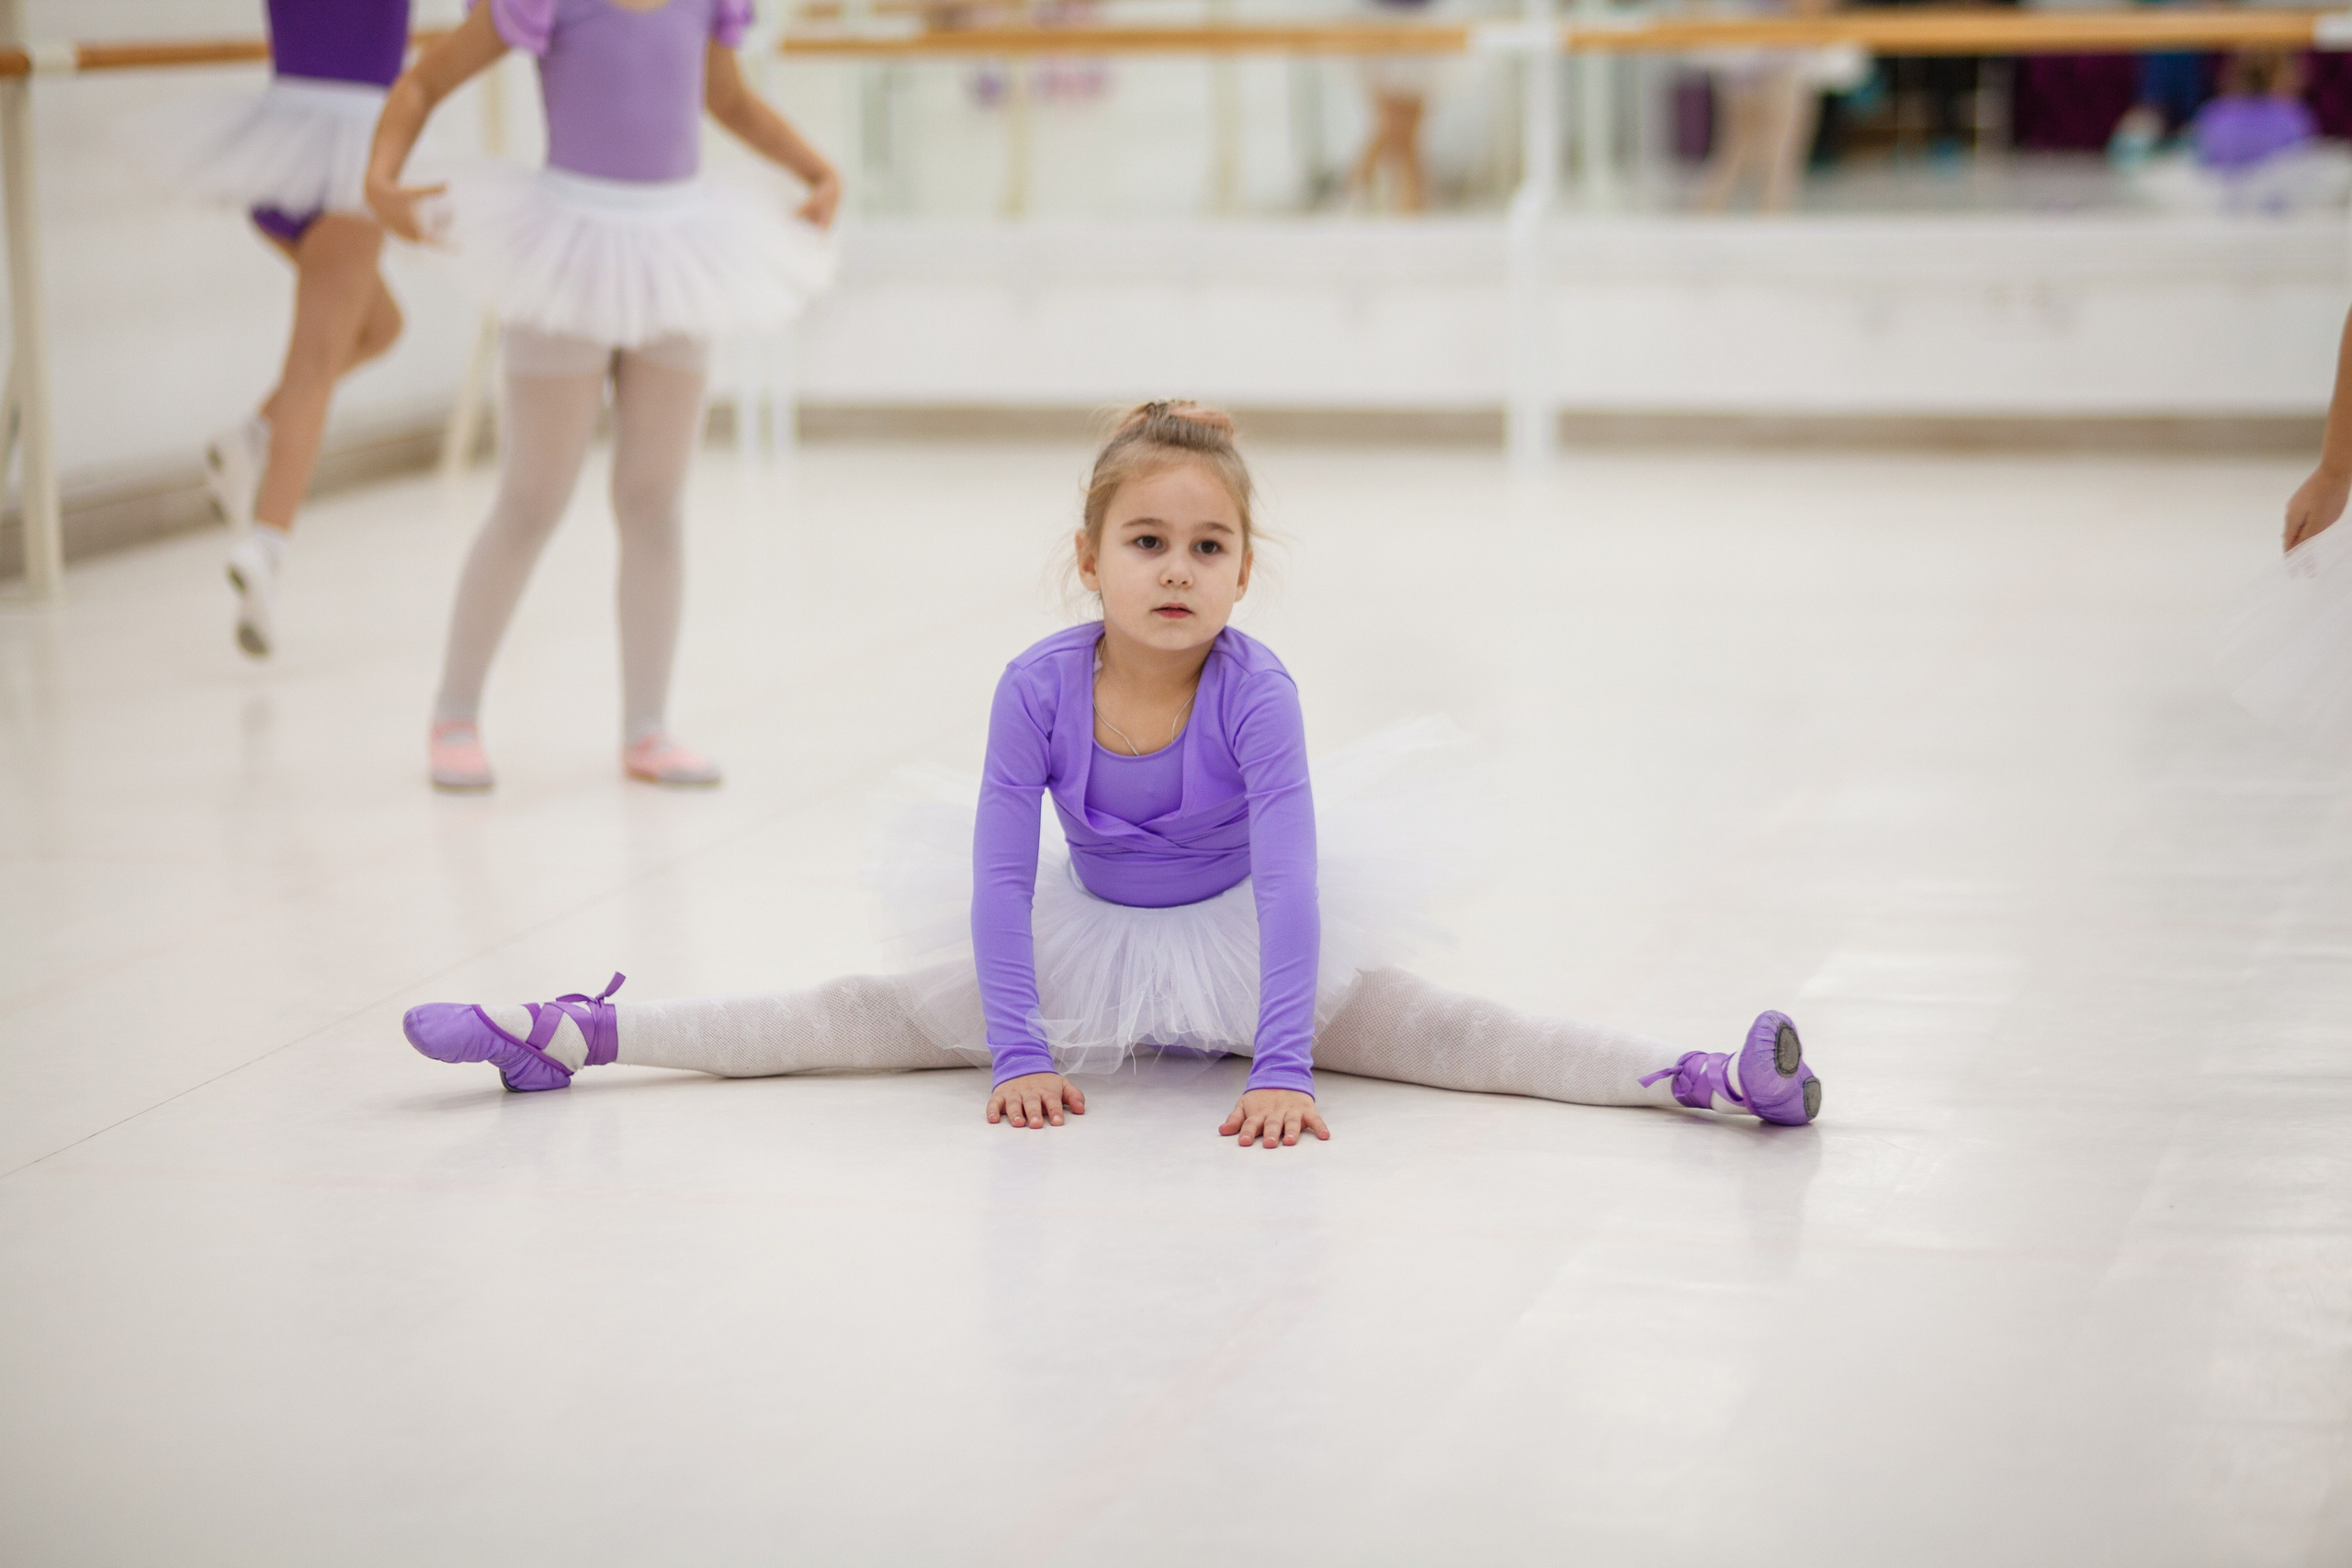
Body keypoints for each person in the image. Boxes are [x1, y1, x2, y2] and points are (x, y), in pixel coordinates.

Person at [396, 402, 1824, 1146]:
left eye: (1208, 547)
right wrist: (1019, 1048)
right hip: (1084, 949)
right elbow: (998, 875)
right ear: (1089, 558)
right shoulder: (1037, 686)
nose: (1176, 569)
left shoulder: (1257, 692)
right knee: (857, 1012)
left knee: (1457, 1032)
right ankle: (575, 1032)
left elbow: (1295, 883)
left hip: (1255, 946)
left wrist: (1284, 1063)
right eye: (1147, 542)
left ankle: (1703, 1079)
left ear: (1243, 572)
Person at [364, 0, 841, 791]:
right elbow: (423, 83)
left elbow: (727, 98)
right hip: (564, 247)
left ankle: (647, 727)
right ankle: (455, 711)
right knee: (531, 498)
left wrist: (815, 167)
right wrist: (381, 180)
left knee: (655, 501)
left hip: (678, 248)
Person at [125, 0, 413, 659]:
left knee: (380, 327)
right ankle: (266, 547)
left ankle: (250, 437)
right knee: (315, 365)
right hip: (353, 158)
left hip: (276, 151)